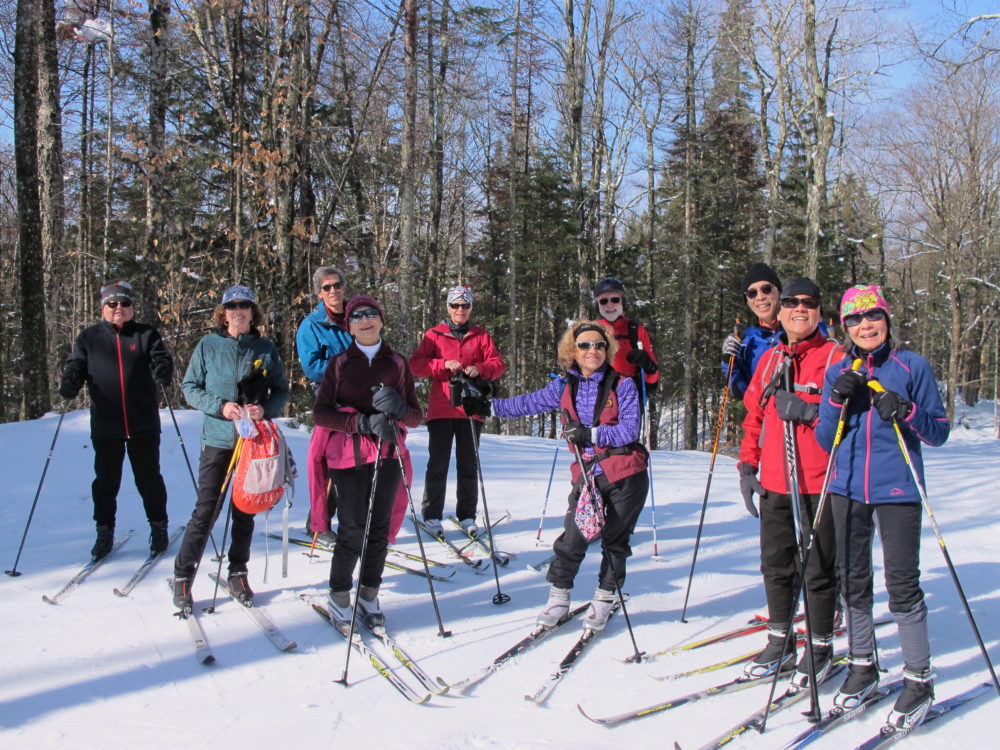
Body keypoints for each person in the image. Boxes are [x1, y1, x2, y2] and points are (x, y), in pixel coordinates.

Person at [816, 285, 949, 727]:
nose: (865, 325)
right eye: (854, 319)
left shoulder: (912, 365)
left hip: (899, 489)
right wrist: (836, 398)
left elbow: (938, 431)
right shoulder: (840, 369)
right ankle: (862, 665)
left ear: (887, 319)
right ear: (845, 327)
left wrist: (906, 411)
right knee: (852, 579)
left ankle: (919, 679)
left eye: (873, 315)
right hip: (847, 487)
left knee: (902, 583)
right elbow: (825, 439)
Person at [484, 320, 648, 632]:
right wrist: (486, 407)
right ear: (573, 350)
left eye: (599, 345)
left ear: (607, 349)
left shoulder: (622, 384)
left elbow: (630, 430)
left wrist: (591, 433)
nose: (592, 350)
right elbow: (526, 403)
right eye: (585, 345)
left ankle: (605, 597)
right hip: (587, 476)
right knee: (573, 539)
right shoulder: (563, 386)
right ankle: (558, 598)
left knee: (615, 542)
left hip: (626, 474)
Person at [738, 277, 840, 684]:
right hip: (776, 480)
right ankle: (780, 641)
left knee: (818, 568)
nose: (800, 309)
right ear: (779, 313)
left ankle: (820, 647)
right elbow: (754, 416)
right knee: (776, 565)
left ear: (819, 312)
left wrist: (808, 411)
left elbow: (846, 421)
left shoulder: (835, 357)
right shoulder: (770, 359)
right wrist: (748, 466)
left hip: (821, 482)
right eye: (792, 302)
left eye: (809, 303)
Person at [172, 285, 289, 610]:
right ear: (223, 313)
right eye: (232, 305)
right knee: (206, 509)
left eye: (244, 305)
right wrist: (219, 406)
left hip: (253, 444)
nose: (238, 310)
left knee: (245, 508)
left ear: (253, 312)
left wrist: (265, 409)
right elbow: (189, 387)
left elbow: (281, 390)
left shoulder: (265, 348)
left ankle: (238, 571)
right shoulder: (209, 345)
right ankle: (183, 574)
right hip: (218, 439)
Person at [312, 295, 423, 625]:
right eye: (357, 316)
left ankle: (369, 594)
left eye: (371, 313)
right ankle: (339, 595)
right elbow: (321, 414)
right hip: (348, 458)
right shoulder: (339, 364)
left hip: (388, 454)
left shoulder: (397, 363)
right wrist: (360, 423)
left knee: (379, 529)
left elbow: (416, 416)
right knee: (352, 529)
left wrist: (399, 408)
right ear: (349, 327)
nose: (365, 320)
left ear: (381, 320)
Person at [59, 281, 174, 560]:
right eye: (112, 304)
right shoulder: (89, 338)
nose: (118, 308)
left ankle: (158, 526)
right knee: (106, 482)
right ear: (103, 307)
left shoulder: (145, 334)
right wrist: (70, 381)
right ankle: (104, 531)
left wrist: (162, 370)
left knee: (149, 480)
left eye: (124, 303)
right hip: (106, 423)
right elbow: (76, 364)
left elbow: (161, 358)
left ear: (132, 307)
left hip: (142, 422)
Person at [409, 285, 506, 534]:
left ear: (470, 308)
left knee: (468, 464)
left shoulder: (481, 335)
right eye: (455, 305)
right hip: (442, 408)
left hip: (471, 409)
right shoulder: (434, 335)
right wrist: (442, 364)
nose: (460, 310)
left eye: (464, 305)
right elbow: (416, 365)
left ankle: (467, 515)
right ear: (448, 307)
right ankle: (432, 515)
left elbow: (498, 365)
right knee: (438, 463)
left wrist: (479, 369)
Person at [295, 266, 352, 544]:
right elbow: (311, 367)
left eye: (337, 285)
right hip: (329, 399)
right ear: (319, 293)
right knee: (324, 462)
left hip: (358, 398)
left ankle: (348, 520)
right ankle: (319, 523)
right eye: (327, 287)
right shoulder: (311, 325)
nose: (333, 291)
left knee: (353, 461)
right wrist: (344, 366)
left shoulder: (356, 317)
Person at [722, 262, 783, 400]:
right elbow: (741, 394)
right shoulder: (746, 340)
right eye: (752, 293)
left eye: (766, 289)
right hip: (763, 412)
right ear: (747, 301)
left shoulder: (800, 329)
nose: (760, 297)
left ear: (778, 291)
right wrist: (728, 361)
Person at [593, 278, 659, 405]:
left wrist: (647, 364)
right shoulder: (591, 331)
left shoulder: (635, 330)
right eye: (603, 301)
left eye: (615, 300)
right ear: (598, 306)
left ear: (623, 302)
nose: (609, 305)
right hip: (598, 397)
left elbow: (653, 378)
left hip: (629, 397)